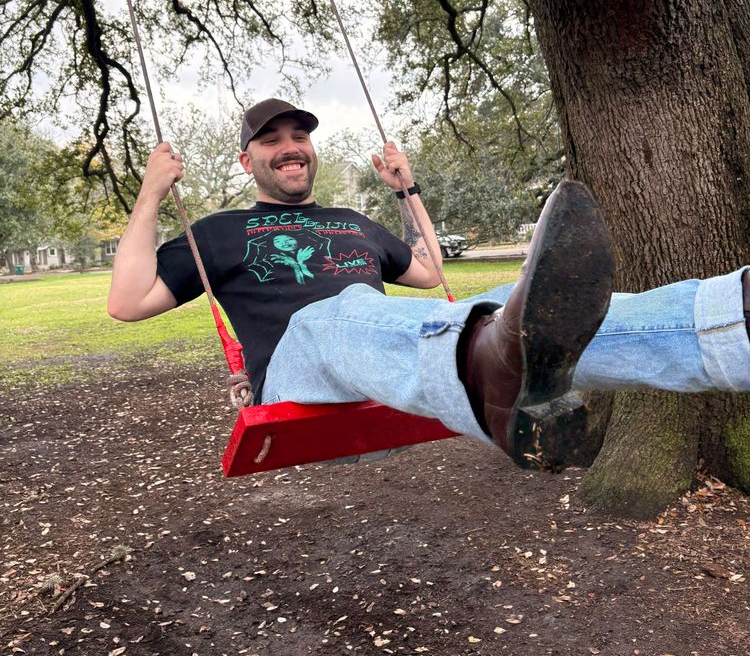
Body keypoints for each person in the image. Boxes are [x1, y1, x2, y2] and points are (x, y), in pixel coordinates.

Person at [108, 98, 750, 466]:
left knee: (492, 308)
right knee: (334, 310)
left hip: (376, 356)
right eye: (271, 141)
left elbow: (432, 273)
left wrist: (407, 190)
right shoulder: (218, 232)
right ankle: (482, 363)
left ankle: (728, 318)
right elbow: (128, 302)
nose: (290, 147)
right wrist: (151, 193)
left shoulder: (353, 223)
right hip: (298, 369)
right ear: (249, 160)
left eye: (299, 136)